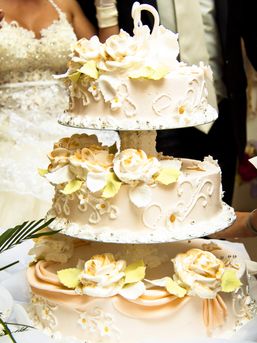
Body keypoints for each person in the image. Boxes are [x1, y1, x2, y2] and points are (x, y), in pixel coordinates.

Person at [81, 0, 257, 206]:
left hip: (221, 113)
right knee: (160, 218)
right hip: (152, 122)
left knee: (216, 215)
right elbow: (102, 49)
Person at [0, 0, 119, 228]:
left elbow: (104, 65)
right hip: (10, 129)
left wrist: (106, 8)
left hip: (66, 122)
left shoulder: (65, 3)